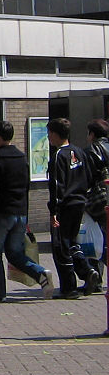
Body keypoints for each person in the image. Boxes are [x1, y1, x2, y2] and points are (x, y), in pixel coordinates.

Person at [0, 121, 52, 301]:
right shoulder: (22, 158)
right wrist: (25, 214)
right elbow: (26, 187)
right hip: (20, 212)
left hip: (1, 214)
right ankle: (40, 273)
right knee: (14, 253)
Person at [46, 118, 101, 298]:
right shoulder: (79, 152)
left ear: (54, 134)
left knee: (61, 246)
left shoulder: (58, 156)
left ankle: (69, 287)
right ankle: (88, 272)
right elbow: (89, 176)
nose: (48, 137)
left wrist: (54, 210)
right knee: (72, 243)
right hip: (80, 203)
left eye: (49, 134)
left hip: (65, 205)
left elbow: (56, 185)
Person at [83, 119, 109, 284]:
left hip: (98, 200)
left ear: (92, 134)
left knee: (96, 238)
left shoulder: (91, 150)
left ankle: (96, 279)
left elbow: (87, 178)